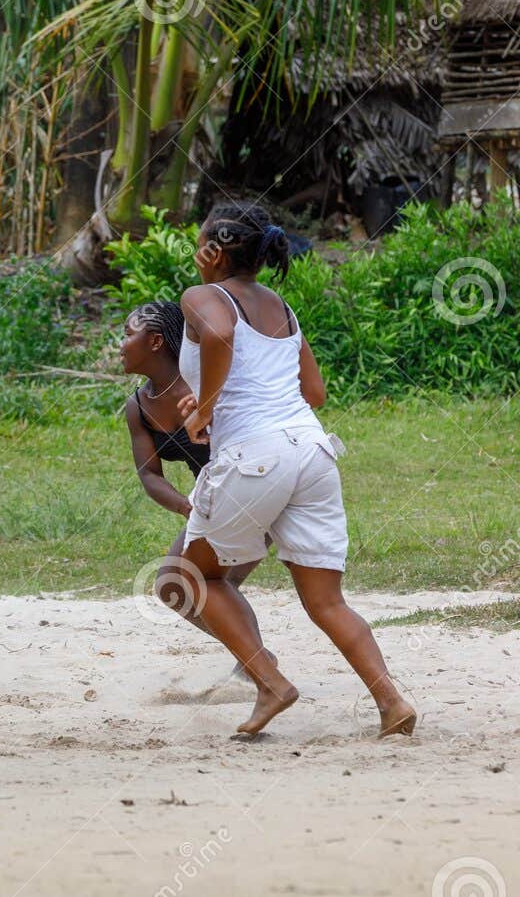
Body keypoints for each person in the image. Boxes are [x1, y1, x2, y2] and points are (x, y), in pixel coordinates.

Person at [176, 202, 416, 738]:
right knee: (327, 601)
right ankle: (392, 703)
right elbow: (315, 392)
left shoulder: (202, 296)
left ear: (214, 249)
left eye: (199, 242)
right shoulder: (281, 307)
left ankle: (270, 684)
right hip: (312, 450)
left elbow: (217, 336)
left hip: (255, 457)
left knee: (193, 577)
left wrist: (208, 407)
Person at [121, 300, 263, 645]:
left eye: (127, 334)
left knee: (213, 583)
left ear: (155, 342)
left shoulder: (206, 383)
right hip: (212, 499)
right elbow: (150, 475)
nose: (120, 344)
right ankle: (257, 663)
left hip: (257, 484)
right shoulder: (138, 406)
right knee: (173, 586)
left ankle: (258, 670)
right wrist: (188, 507)